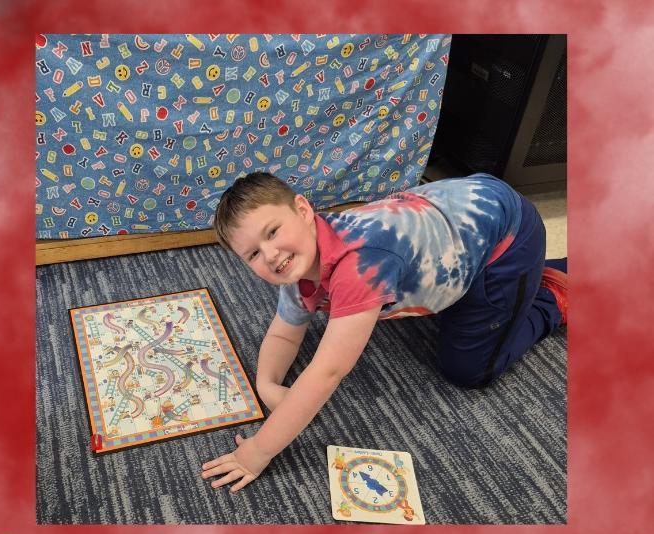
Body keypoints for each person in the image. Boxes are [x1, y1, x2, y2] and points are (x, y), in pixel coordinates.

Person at [199, 172, 568, 492]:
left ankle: (551, 294)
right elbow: (283, 334)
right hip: (456, 217)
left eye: (273, 232)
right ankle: (521, 282)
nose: (270, 254)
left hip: (505, 237)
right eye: (252, 255)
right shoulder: (301, 261)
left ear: (303, 210)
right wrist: (266, 384)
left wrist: (256, 452)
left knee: (469, 369)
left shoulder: (361, 265)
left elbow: (327, 372)